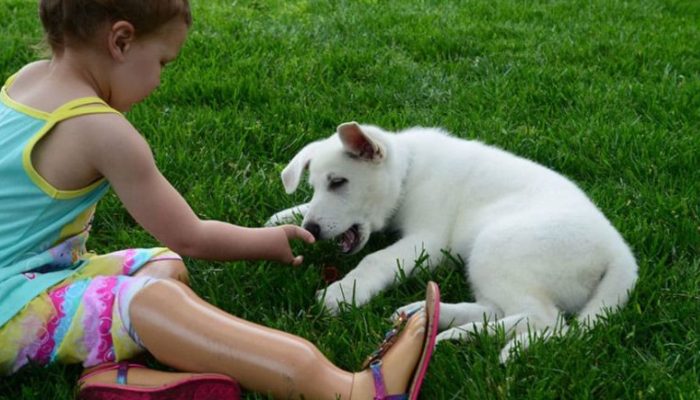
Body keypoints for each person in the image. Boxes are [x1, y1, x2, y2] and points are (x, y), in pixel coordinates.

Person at [0, 1, 440, 399]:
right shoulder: (101, 130)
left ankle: (115, 377)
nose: (158, 80)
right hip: (8, 304)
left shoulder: (27, 79)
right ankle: (354, 388)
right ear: (121, 41)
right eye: (162, 62)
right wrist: (264, 241)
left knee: (162, 265)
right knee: (151, 300)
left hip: (34, 272)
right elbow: (191, 236)